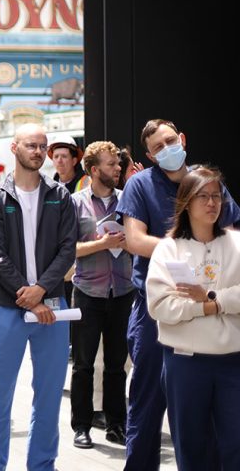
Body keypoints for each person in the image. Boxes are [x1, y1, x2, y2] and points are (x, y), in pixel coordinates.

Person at [116, 119, 240, 470]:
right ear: (150, 156)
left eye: (171, 141)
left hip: (214, 306)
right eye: (158, 147)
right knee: (148, 401)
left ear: (182, 139)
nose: (167, 149)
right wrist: (185, 252)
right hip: (158, 307)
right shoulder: (141, 185)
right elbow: (135, 240)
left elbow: (230, 231)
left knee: (216, 416)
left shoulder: (207, 181)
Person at [0, 123, 77, 471]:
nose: (37, 152)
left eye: (42, 146)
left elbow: (68, 249)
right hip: (7, 308)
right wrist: (29, 295)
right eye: (31, 145)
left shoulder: (59, 195)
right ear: (14, 148)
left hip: (53, 307)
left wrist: (42, 291)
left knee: (49, 397)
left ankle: (42, 464)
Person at [146, 167, 240, 471]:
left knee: (235, 446)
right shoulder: (168, 249)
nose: (212, 203)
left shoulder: (237, 243)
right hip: (186, 363)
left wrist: (210, 298)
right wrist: (209, 307)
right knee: (192, 446)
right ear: (186, 202)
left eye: (217, 196)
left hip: (233, 361)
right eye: (203, 196)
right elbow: (160, 306)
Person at [69, 141, 134, 449]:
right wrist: (102, 244)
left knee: (116, 365)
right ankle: (81, 426)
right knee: (83, 364)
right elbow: (67, 249)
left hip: (122, 291)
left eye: (118, 163)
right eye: (111, 164)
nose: (118, 168)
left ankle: (116, 424)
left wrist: (128, 241)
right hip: (88, 292)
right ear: (94, 170)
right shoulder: (74, 203)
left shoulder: (127, 201)